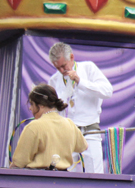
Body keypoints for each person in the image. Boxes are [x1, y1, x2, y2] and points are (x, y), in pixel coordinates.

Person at [47, 42, 113, 173]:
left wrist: (80, 81)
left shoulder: (88, 68)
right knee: (64, 173)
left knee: (94, 174)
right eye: (57, 67)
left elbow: (107, 91)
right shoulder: (54, 80)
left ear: (71, 57)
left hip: (90, 130)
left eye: (63, 66)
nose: (61, 71)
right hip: (66, 133)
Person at [11, 84, 87, 170]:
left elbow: (19, 161)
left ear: (41, 105)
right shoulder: (70, 124)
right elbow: (83, 146)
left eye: (32, 104)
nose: (30, 108)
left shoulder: (34, 126)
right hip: (63, 180)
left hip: (37, 179)